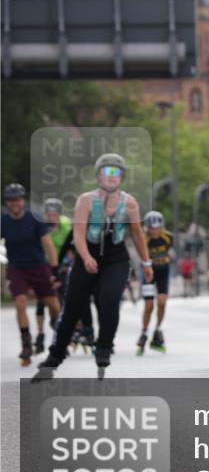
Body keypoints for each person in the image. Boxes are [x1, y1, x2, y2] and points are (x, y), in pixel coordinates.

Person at [32, 153, 155, 380]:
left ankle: (104, 346)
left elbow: (137, 234)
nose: (111, 177)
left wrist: (146, 262)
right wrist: (86, 257)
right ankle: (55, 357)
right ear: (99, 175)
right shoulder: (86, 200)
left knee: (109, 298)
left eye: (116, 173)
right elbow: (78, 235)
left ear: (121, 177)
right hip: (86, 256)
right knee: (72, 308)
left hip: (116, 258)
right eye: (107, 172)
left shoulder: (129, 203)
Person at [1, 184, 60, 366]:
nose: (15, 203)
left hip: (38, 266)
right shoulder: (3, 221)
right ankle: (26, 344)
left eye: (18, 199)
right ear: (7, 203)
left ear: (23, 200)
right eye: (11, 200)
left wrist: (54, 269)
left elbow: (48, 244)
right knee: (20, 302)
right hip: (17, 268)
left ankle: (58, 329)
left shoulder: (34, 219)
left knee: (53, 304)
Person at [33, 197, 72, 353]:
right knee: (41, 301)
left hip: (61, 265)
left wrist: (67, 264)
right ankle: (40, 334)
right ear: (44, 214)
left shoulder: (66, 226)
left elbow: (72, 246)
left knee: (61, 301)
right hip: (43, 265)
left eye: (55, 214)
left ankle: (60, 336)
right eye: (49, 214)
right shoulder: (39, 226)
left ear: (60, 214)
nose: (52, 217)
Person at [137, 210, 173, 355]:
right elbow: (140, 255)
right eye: (152, 229)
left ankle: (157, 329)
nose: (155, 232)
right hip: (148, 274)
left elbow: (169, 250)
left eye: (158, 228)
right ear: (147, 228)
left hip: (163, 271)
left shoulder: (169, 237)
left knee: (162, 302)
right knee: (149, 305)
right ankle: (144, 331)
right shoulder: (144, 239)